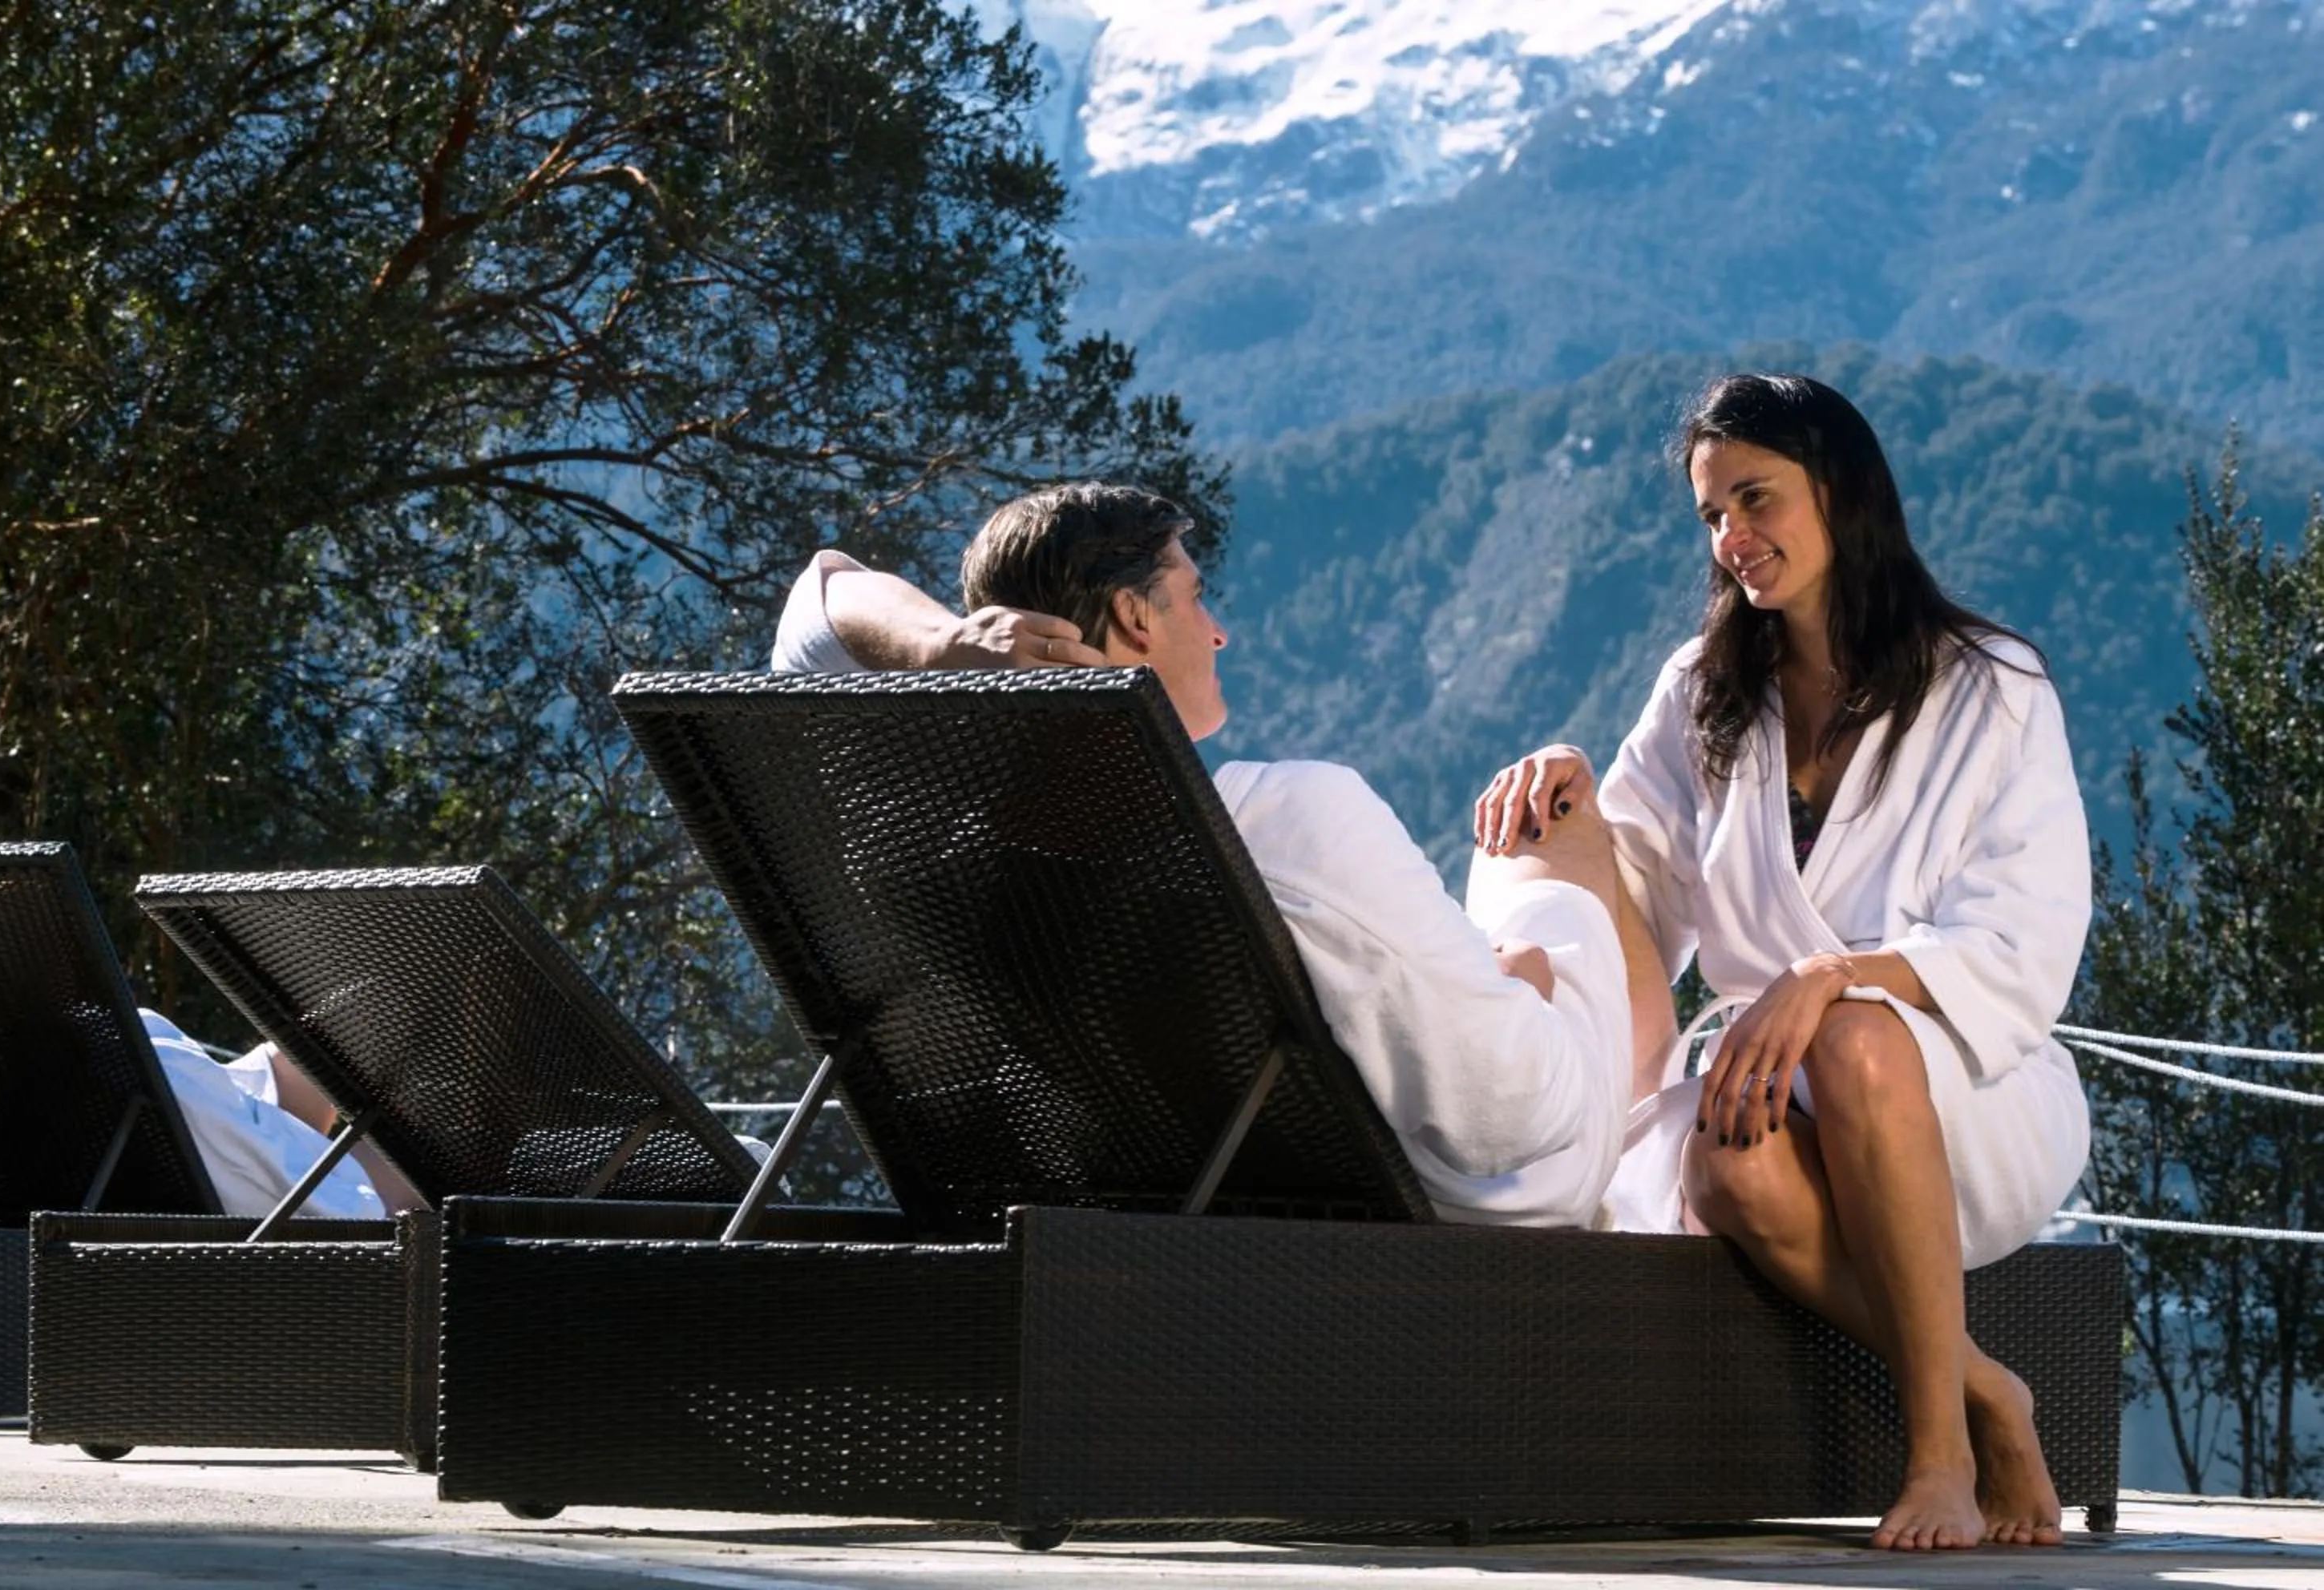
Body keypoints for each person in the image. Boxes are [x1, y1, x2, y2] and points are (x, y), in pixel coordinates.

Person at [1473, 373, 2091, 1552]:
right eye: (1712, 514)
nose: (1733, 538)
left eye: (1756, 498)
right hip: (1780, 1081)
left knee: (1857, 1035)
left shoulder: (1991, 686)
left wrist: (1829, 979)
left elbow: (2022, 937)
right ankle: (1991, 1390)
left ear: (1843, 492)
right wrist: (1570, 794)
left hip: (1970, 1085)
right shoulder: (1707, 690)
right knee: (1730, 1168)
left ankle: (1943, 1455)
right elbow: (1641, 903)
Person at [773, 483, 1636, 1226]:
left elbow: (817, 604)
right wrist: (1524, 976)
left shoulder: (944, 859)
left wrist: (940, 648)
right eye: (1193, 597)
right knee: (1553, 849)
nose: (1216, 631)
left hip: (1147, 1218)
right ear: (1134, 618)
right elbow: (1511, 1119)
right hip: (1444, 1212)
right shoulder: (1291, 824)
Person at [140, 1011, 425, 1218]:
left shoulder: (139, 1044)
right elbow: (357, 1212)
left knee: (359, 1015)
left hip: (215, 1110)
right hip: (287, 1198)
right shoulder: (152, 1063)